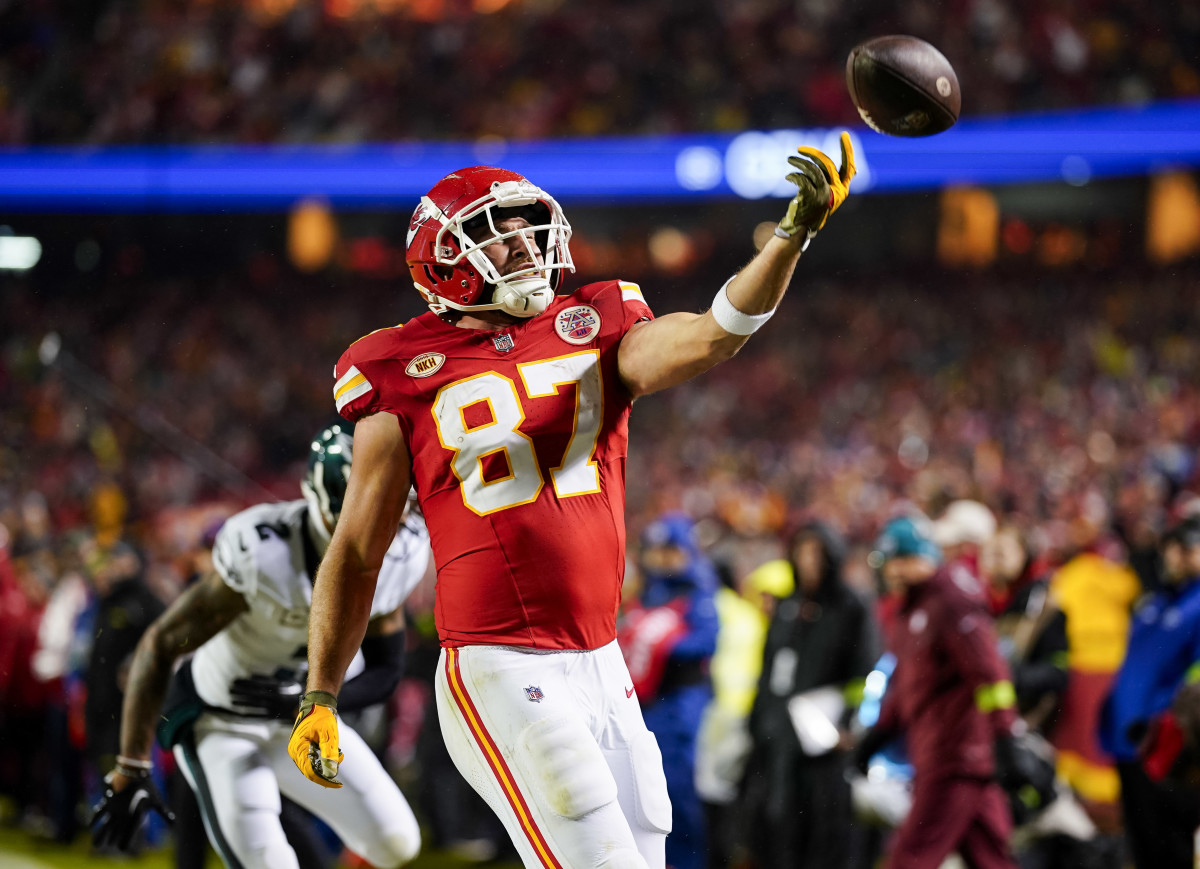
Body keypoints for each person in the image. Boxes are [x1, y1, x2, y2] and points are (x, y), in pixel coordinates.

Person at [289, 136, 857, 869]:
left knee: (645, 847)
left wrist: (790, 238)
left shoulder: (593, 319)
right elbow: (360, 551)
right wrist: (321, 692)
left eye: (529, 225)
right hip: (497, 660)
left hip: (598, 655)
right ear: (443, 258)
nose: (525, 243)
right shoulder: (398, 367)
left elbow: (714, 336)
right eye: (498, 231)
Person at [91, 424, 427, 869]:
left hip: (302, 721)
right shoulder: (265, 551)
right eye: (356, 506)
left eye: (384, 507)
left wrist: (310, 700)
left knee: (397, 841)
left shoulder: (401, 554)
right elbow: (162, 643)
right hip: (222, 720)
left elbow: (387, 671)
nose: (372, 524)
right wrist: (131, 765)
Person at [853, 515, 1028, 869]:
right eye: (891, 563)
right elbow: (907, 685)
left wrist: (1005, 735)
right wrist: (879, 734)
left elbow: (989, 673)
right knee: (991, 859)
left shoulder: (950, 597)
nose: (896, 571)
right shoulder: (912, 609)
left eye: (904, 560)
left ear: (926, 555)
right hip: (946, 753)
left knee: (910, 857)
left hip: (955, 755)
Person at [743, 521, 878, 869]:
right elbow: (769, 667)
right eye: (802, 551)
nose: (808, 561)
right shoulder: (786, 606)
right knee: (777, 828)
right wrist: (757, 720)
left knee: (824, 834)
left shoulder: (851, 608)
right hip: (777, 739)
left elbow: (864, 672)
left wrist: (849, 723)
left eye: (817, 552)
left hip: (824, 744)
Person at [618, 513, 719, 869]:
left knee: (676, 787)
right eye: (656, 550)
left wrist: (662, 642)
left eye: (670, 550)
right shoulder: (644, 593)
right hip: (643, 703)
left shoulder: (700, 591)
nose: (662, 558)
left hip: (681, 702)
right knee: (637, 787)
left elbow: (705, 642)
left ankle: (687, 861)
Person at [1098, 516, 1200, 869]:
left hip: (1173, 748)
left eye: (1186, 548)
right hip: (1130, 744)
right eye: (1171, 548)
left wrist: (1176, 726)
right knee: (1143, 845)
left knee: (1174, 847)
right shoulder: (1154, 603)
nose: (1175, 557)